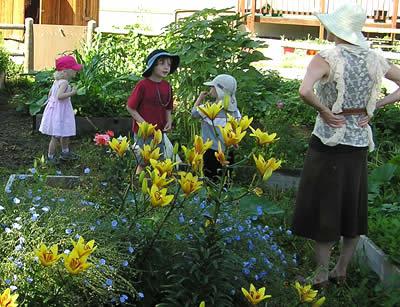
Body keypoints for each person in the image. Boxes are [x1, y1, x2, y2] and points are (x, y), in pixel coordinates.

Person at [292, 4, 400, 289]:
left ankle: (321, 275)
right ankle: (341, 271)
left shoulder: (327, 57)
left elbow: (304, 91)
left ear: (335, 29)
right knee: (353, 205)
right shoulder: (375, 58)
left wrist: (325, 111)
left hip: (329, 141)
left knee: (326, 206)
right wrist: (376, 105)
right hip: (358, 143)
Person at [126, 49, 179, 174]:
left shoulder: (167, 86)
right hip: (143, 133)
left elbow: (168, 107)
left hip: (158, 133)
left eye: (169, 64)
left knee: (158, 160)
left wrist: (169, 121)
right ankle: (138, 186)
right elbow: (130, 107)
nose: (166, 67)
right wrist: (146, 125)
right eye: (162, 63)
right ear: (152, 65)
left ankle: (155, 187)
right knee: (143, 161)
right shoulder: (142, 85)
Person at [192, 74, 241, 179]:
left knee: (208, 178)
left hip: (210, 151)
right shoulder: (235, 112)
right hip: (228, 151)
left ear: (219, 91)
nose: (210, 89)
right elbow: (235, 131)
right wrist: (236, 145)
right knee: (224, 179)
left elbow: (193, 114)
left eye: (212, 87)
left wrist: (199, 98)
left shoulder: (207, 108)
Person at [39, 55, 82, 162]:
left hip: (57, 111)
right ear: (65, 71)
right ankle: (52, 157)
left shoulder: (56, 81)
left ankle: (63, 153)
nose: (76, 72)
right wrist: (72, 92)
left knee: (64, 132)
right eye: (74, 70)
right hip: (61, 112)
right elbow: (59, 96)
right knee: (57, 136)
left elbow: (50, 95)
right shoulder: (65, 82)